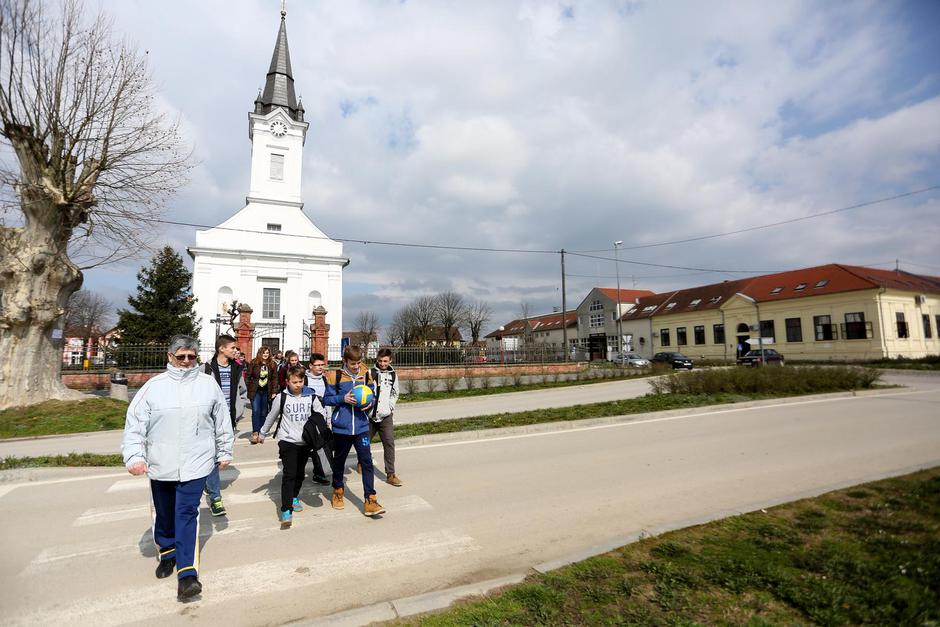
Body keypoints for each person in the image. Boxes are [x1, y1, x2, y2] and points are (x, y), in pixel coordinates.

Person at [121, 335, 234, 601]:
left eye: (191, 356)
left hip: (197, 462)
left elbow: (221, 419)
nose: (185, 361)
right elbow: (135, 424)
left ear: (196, 357)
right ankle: (168, 551)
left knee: (186, 513)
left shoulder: (208, 385)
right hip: (162, 462)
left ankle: (187, 574)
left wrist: (225, 449)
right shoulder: (154, 387)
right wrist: (135, 456)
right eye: (180, 356)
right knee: (164, 512)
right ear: (170, 357)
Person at [259, 365, 325, 528]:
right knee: (289, 474)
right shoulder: (281, 398)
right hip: (287, 441)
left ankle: (294, 496)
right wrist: (262, 433)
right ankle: (286, 510)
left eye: (301, 381)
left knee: (300, 474)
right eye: (294, 382)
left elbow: (321, 415)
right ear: (287, 382)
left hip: (305, 441)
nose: (298, 385)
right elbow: (272, 416)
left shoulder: (311, 397)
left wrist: (323, 428)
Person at [323, 345, 385, 516]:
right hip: (341, 428)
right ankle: (337, 492)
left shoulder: (366, 374)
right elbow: (326, 400)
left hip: (362, 427)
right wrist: (342, 398)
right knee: (339, 462)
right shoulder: (334, 376)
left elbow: (372, 394)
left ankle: (370, 500)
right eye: (353, 364)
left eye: (358, 363)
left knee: (366, 462)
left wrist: (369, 403)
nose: (356, 366)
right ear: (345, 361)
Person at [201, 334, 248, 516]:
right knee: (213, 456)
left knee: (222, 454)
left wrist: (239, 410)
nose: (235, 351)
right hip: (210, 420)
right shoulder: (206, 369)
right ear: (221, 349)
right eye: (232, 348)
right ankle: (215, 498)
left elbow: (242, 391)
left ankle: (207, 482)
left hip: (229, 418)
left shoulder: (237, 368)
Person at [369, 348, 402, 487]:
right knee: (363, 443)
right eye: (380, 361)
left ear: (390, 361)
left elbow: (395, 393)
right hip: (369, 416)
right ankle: (361, 462)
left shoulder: (393, 374)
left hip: (385, 416)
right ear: (377, 359)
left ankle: (391, 474)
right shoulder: (370, 373)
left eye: (385, 361)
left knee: (389, 444)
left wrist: (390, 407)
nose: (382, 363)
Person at [302, 352, 331, 485]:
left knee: (320, 448)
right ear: (310, 366)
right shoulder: (305, 379)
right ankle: (297, 474)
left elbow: (327, 400)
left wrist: (328, 419)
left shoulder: (325, 379)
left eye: (322, 365)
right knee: (304, 449)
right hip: (308, 420)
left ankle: (318, 474)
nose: (320, 367)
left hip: (322, 419)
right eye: (317, 365)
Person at [247, 346, 278, 444]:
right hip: (255, 391)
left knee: (264, 412)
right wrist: (249, 388)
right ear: (260, 353)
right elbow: (248, 376)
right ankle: (255, 432)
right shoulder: (254, 363)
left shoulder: (272, 364)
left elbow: (274, 378)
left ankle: (261, 432)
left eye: (267, 353)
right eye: (264, 352)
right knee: (256, 411)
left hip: (266, 391)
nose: (266, 354)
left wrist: (274, 391)